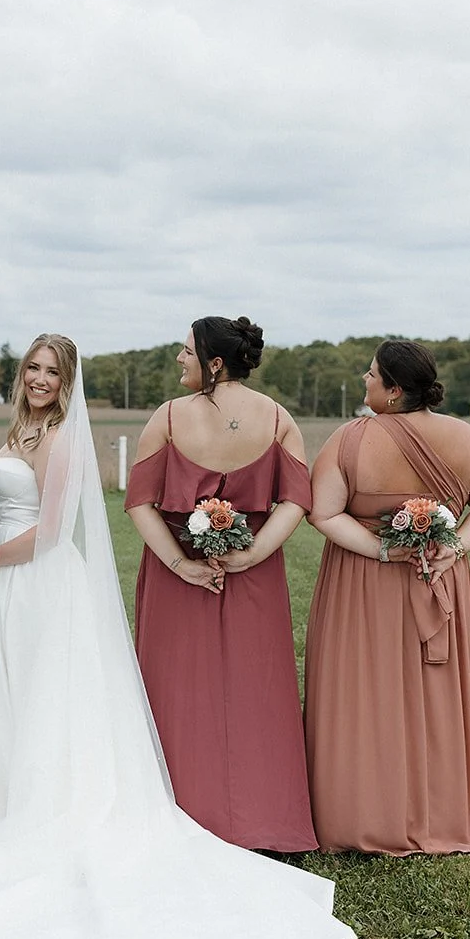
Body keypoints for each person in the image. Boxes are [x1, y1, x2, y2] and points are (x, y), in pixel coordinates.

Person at [0, 335, 355, 939]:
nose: (39, 379)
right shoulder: (19, 430)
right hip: (4, 586)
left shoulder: (63, 439)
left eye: (52, 372)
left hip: (38, 581)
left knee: (46, 698)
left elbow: (48, 534)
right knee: (5, 691)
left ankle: (40, 811)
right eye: (32, 367)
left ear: (67, 382)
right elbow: (6, 506)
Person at [304, 340, 470, 854]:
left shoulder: (349, 439)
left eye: (371, 373)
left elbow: (323, 513)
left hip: (362, 583)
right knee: (436, 695)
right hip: (437, 576)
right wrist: (454, 547)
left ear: (394, 390)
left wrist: (380, 550)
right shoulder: (466, 437)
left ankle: (359, 813)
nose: (365, 379)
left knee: (362, 689)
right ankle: (442, 811)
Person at [125, 316, 317, 851]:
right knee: (256, 687)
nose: (179, 359)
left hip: (178, 572)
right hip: (253, 573)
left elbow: (139, 502)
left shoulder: (166, 417)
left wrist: (180, 564)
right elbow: (296, 501)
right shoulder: (278, 419)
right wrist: (251, 554)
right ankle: (262, 816)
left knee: (176, 688)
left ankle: (178, 810)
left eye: (187, 351)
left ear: (214, 363)